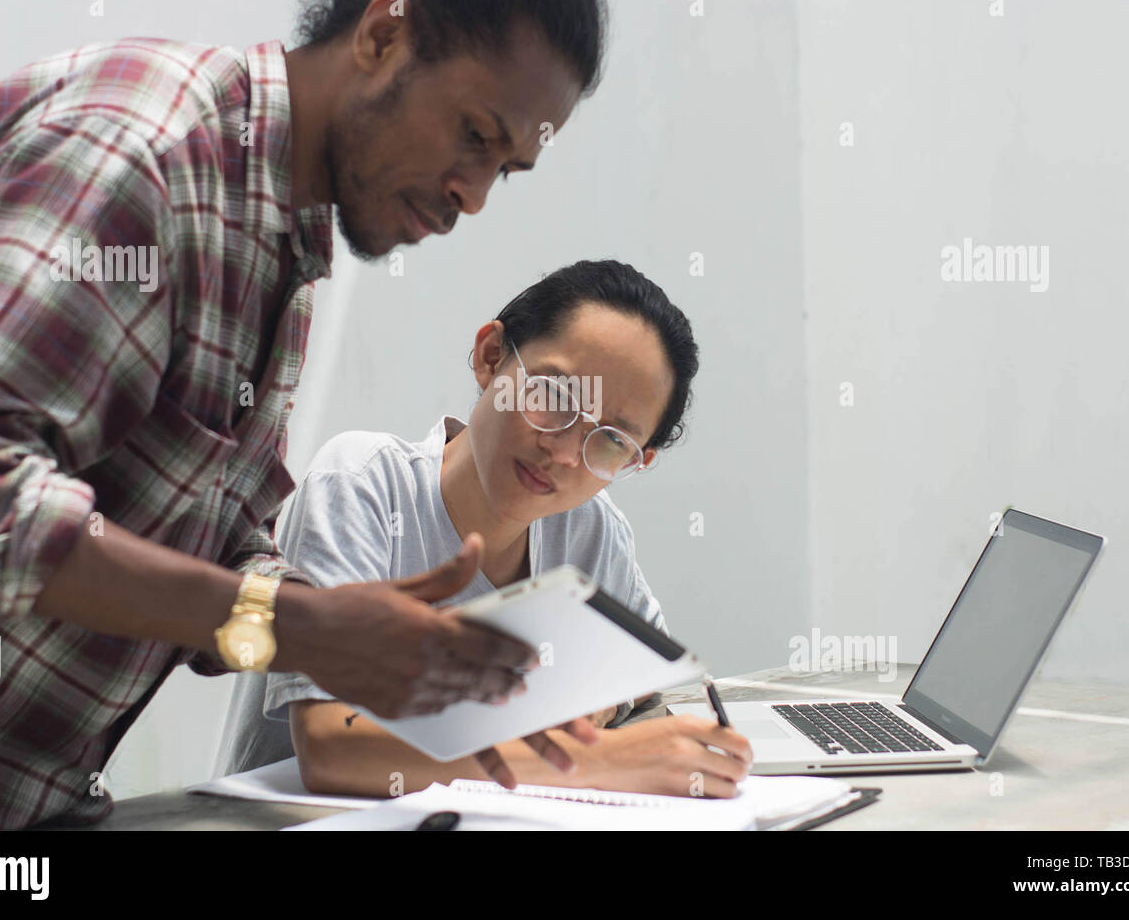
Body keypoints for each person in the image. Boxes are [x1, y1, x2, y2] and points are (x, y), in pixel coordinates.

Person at [0, 0, 609, 829]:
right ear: (383, 38)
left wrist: (329, 622)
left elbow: (201, 533)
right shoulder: (144, 150)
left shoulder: (282, 247)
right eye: (472, 135)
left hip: (15, 808)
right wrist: (295, 626)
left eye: (508, 167)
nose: (475, 195)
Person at [219, 261, 754, 798]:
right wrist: (604, 758)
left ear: (639, 460)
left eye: (612, 440)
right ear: (491, 357)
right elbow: (333, 750)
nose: (565, 452)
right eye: (555, 397)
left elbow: (641, 677)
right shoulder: (361, 482)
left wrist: (601, 702)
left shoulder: (592, 530)